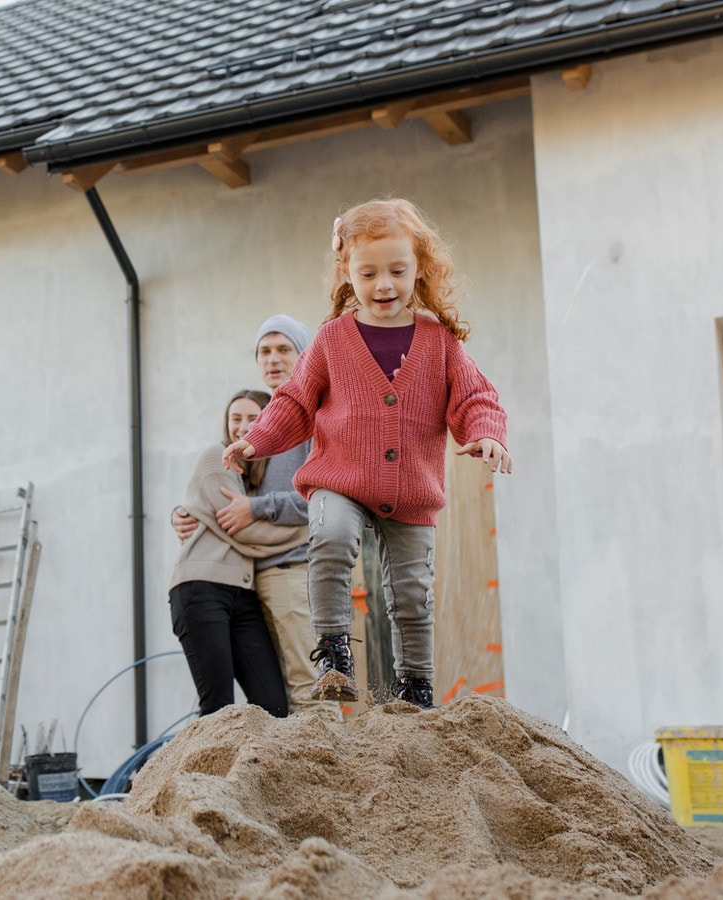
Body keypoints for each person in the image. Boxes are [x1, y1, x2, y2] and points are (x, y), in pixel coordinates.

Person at [224, 199, 510, 710]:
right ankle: (334, 655)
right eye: (369, 273)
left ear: (418, 269)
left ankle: (416, 687)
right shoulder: (333, 339)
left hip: (413, 490)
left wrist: (488, 433)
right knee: (330, 536)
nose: (384, 285)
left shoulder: (439, 341)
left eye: (398, 271)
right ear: (347, 273)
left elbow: (475, 396)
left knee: (412, 594)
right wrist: (256, 439)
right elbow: (294, 400)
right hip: (342, 478)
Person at [172, 315, 340, 719]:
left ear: (304, 356)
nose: (273, 359)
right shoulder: (267, 424)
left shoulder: (316, 417)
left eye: (284, 349)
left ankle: (329, 775)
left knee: (309, 683)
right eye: (265, 351)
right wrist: (182, 513)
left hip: (292, 570)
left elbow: (323, 499)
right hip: (256, 576)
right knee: (279, 691)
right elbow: (222, 494)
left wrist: (257, 509)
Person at [169, 389, 305, 718]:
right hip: (201, 589)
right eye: (235, 418)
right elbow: (244, 534)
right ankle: (203, 771)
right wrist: (309, 530)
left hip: (243, 594)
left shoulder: (252, 474)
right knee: (217, 706)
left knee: (273, 705)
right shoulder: (217, 457)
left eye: (253, 418)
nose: (243, 426)